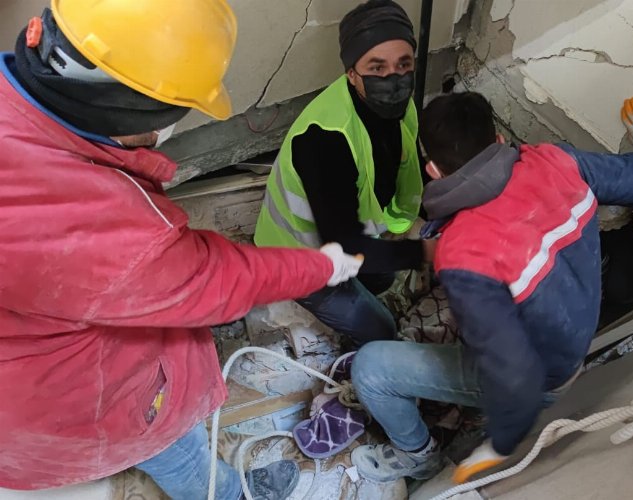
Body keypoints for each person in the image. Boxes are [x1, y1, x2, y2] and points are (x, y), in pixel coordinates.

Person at [0, 2, 363, 499]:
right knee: (168, 441)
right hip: (69, 398)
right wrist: (322, 265)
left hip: (28, 356)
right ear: (122, 108)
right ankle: (227, 494)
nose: (161, 135)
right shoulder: (101, 224)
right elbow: (220, 278)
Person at [349, 92, 633, 483]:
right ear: (499, 140)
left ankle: (416, 455)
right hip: (577, 326)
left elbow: (516, 375)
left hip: (544, 380)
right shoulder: (555, 161)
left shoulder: (463, 252)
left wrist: (500, 443)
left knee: (370, 368)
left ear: (433, 170)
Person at [254, 0, 433, 347]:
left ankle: (361, 284)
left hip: (346, 235)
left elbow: (407, 168)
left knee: (383, 277)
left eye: (404, 64)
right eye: (377, 67)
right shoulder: (326, 138)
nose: (394, 79)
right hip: (301, 257)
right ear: (352, 73)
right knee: (381, 331)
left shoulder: (401, 108)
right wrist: (427, 252)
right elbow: (346, 246)